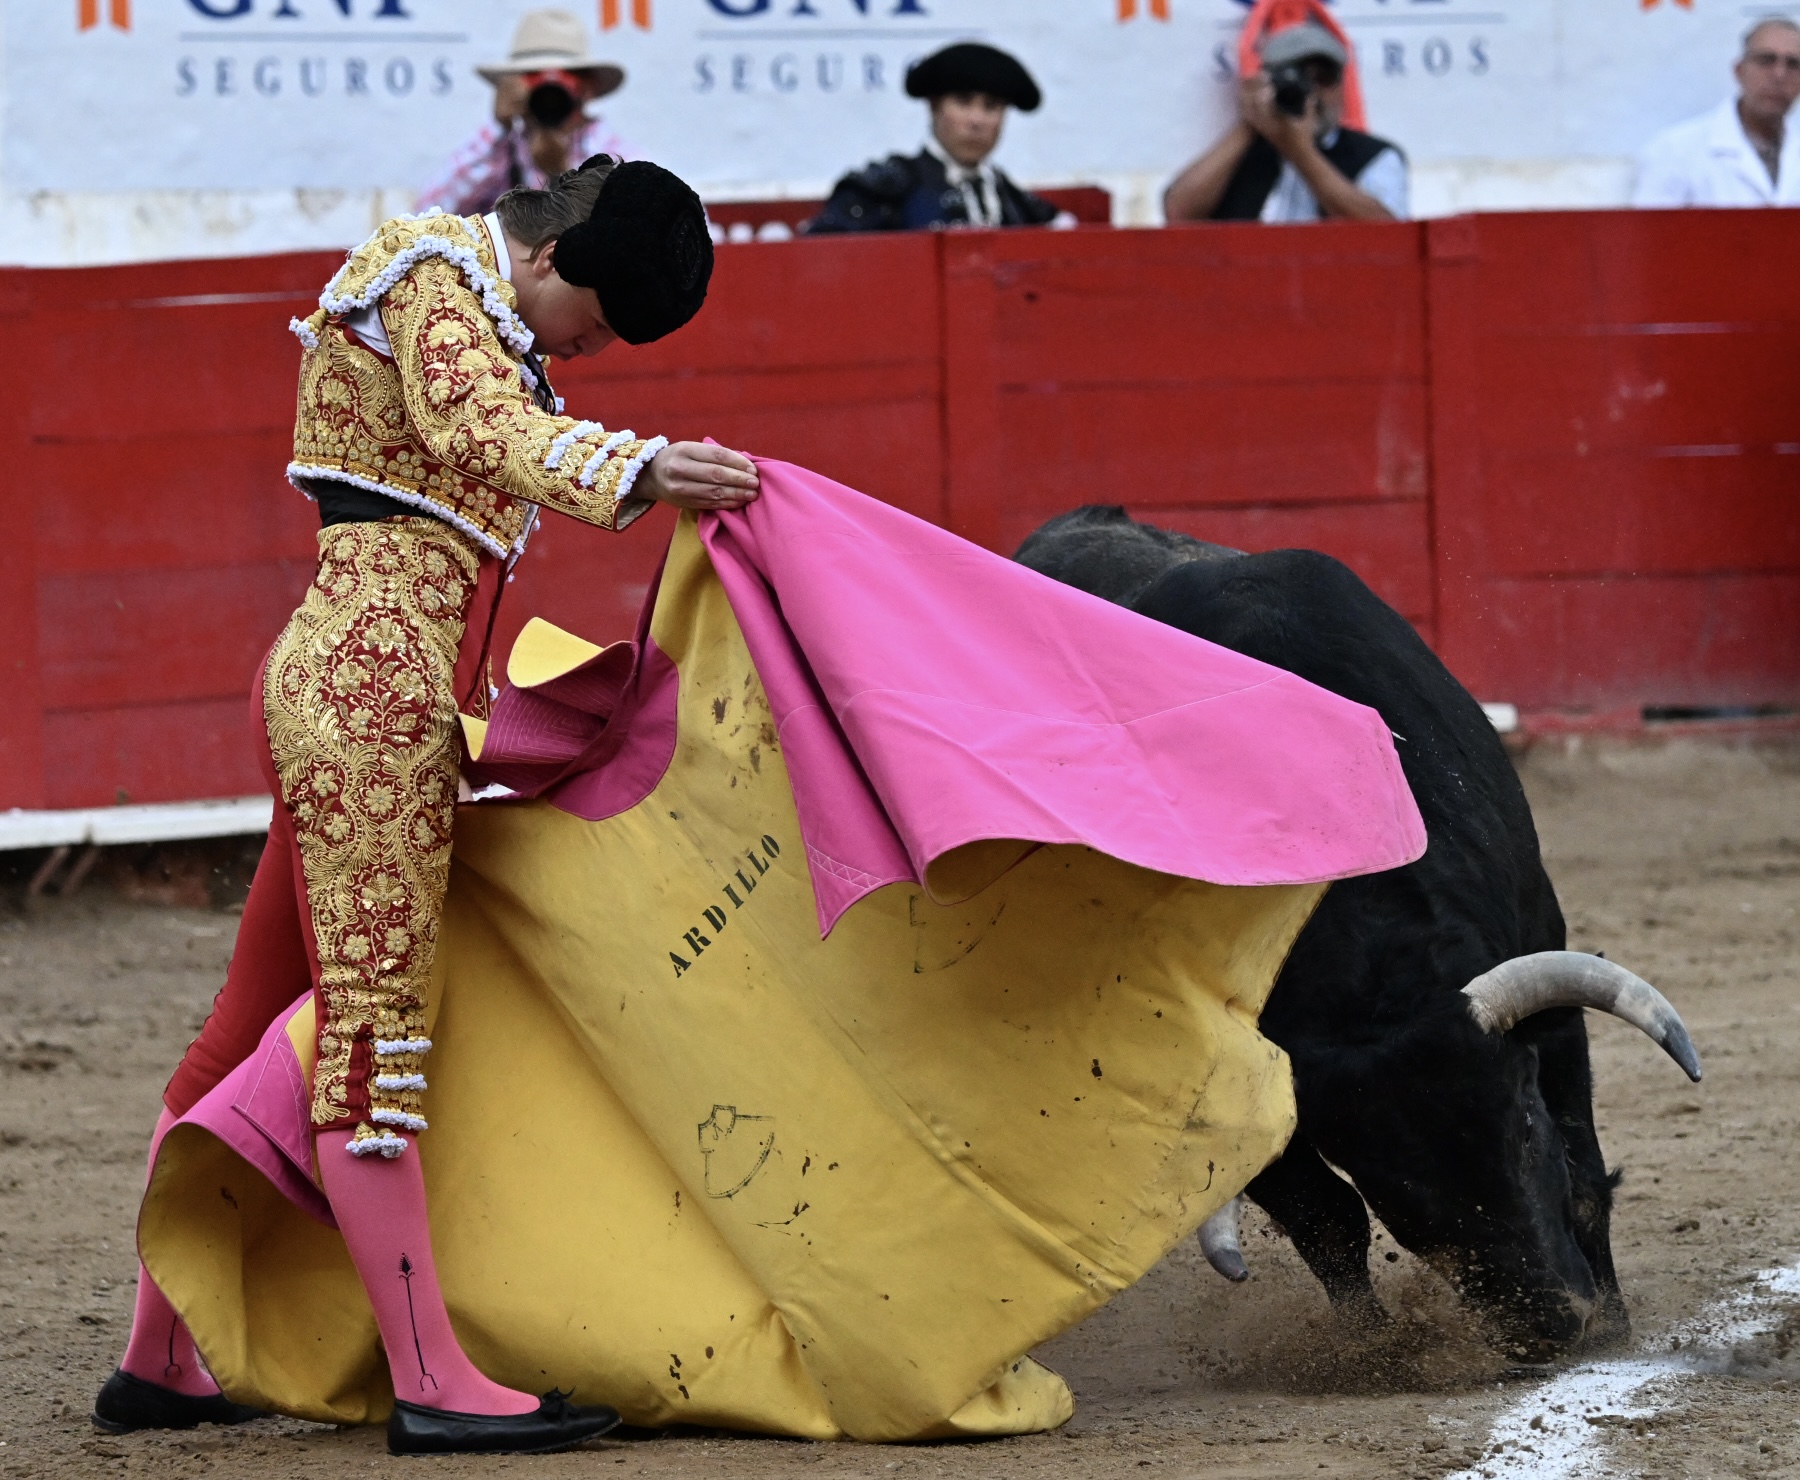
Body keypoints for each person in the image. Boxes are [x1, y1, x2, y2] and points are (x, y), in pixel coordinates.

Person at [92, 155, 759, 1455]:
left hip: (371, 693)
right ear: (550, 258)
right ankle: (432, 1379)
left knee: (249, 1029)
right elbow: (477, 432)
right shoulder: (430, 270)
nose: (591, 352)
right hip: (375, 699)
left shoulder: (470, 305)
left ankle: (161, 1359)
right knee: (378, 1045)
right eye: (595, 323)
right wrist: (642, 469)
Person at [807, 42, 1069, 233]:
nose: (976, 120)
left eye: (992, 106)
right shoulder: (882, 192)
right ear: (934, 107)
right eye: (963, 102)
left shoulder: (1018, 204)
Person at [1163, 21, 1408, 224]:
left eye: (1324, 77)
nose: (1312, 92)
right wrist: (1250, 122)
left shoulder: (1374, 156)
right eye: (1296, 77)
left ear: (1342, 86)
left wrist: (1300, 151)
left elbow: (1387, 231)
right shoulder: (1242, 153)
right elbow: (1178, 211)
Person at [417, 9, 631, 218]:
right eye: (536, 77)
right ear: (513, 86)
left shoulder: (617, 158)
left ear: (588, 87)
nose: (549, 95)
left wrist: (565, 177)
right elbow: (428, 215)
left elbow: (628, 225)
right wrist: (498, 128)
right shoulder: (499, 154)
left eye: (560, 81)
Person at [1633, 17, 1800, 208]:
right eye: (1766, 60)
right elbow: (1651, 225)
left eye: (1793, 64)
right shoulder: (1675, 151)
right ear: (1739, 71)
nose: (1779, 75)